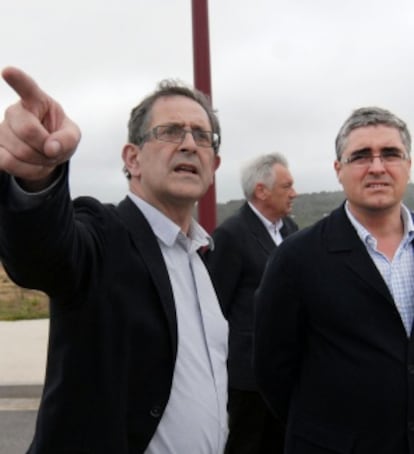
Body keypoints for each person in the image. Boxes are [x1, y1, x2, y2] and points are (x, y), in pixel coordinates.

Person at [0, 67, 228, 454]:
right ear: (132, 158)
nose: (189, 143)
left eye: (202, 136)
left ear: (214, 167)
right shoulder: (105, 233)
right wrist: (38, 179)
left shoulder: (204, 258)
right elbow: (43, 256)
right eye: (171, 131)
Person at [254, 106, 414, 453]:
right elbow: (272, 370)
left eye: (390, 154)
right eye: (360, 156)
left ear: (408, 165)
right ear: (338, 170)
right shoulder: (296, 259)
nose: (377, 167)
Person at [205, 153, 298, 453]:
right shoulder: (231, 236)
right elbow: (214, 306)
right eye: (287, 186)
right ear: (262, 191)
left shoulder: (290, 230)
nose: (294, 193)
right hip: (248, 378)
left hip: (288, 369)